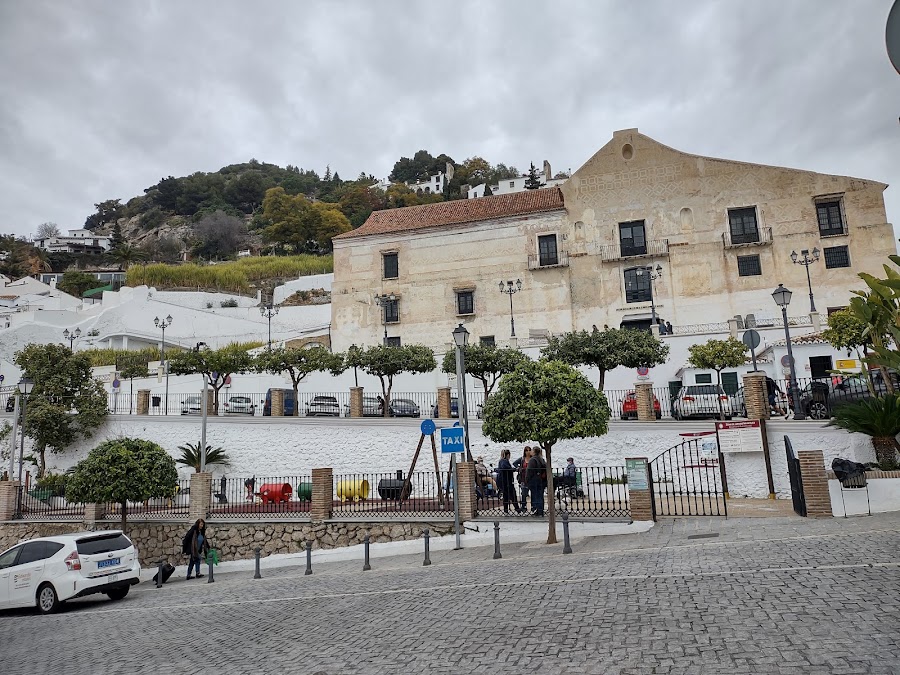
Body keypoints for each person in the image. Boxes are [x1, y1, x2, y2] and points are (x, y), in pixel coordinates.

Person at [497, 449, 522, 513]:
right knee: (512, 494)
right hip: (506, 481)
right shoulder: (504, 461)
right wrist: (513, 469)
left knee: (506, 495)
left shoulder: (501, 461)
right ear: (508, 455)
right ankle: (517, 508)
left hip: (503, 481)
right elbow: (505, 468)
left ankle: (506, 509)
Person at [526, 447, 547, 517]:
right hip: (541, 480)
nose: (530, 452)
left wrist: (527, 479)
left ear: (534, 451)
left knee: (535, 495)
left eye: (532, 450)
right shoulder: (541, 459)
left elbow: (529, 471)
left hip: (534, 480)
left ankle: (537, 510)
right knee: (540, 495)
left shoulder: (533, 460)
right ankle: (540, 510)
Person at [513, 446, 532, 512]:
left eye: (529, 450)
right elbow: (514, 463)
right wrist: (519, 468)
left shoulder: (532, 459)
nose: (528, 452)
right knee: (523, 493)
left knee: (533, 493)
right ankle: (523, 506)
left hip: (531, 478)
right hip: (523, 478)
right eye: (526, 450)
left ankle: (533, 507)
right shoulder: (522, 459)